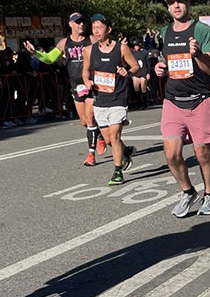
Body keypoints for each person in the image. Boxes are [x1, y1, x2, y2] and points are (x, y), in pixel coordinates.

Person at [153, 0, 210, 217]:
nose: (176, 6)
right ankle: (188, 191)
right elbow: (168, 62)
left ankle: (209, 195)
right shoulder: (164, 32)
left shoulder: (200, 30)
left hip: (199, 100)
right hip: (173, 100)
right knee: (171, 155)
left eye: (180, 1)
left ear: (188, 4)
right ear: (168, 7)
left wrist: (198, 54)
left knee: (202, 154)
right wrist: (160, 68)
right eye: (172, 3)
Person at [24, 13, 107, 166]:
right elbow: (50, 58)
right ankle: (100, 135)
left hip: (91, 84)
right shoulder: (64, 43)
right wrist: (35, 53)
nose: (80, 25)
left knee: (90, 120)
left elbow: (106, 52)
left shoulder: (91, 40)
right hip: (76, 86)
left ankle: (91, 155)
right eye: (77, 22)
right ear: (70, 24)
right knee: (84, 122)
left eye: (82, 22)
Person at [81, 14, 139, 186]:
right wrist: (87, 81)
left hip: (118, 99)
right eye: (94, 27)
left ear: (109, 29)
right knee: (107, 140)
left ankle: (118, 172)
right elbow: (85, 71)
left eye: (99, 27)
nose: (96, 31)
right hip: (100, 100)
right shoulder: (89, 50)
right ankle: (125, 151)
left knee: (114, 136)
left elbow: (136, 66)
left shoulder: (121, 48)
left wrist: (127, 72)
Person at [129, 39, 150, 108]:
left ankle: (144, 103)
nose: (136, 47)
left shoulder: (145, 52)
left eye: (137, 45)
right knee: (136, 87)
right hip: (136, 73)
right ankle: (138, 102)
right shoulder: (132, 53)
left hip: (143, 71)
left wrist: (148, 73)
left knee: (143, 87)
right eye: (135, 46)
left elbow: (148, 63)